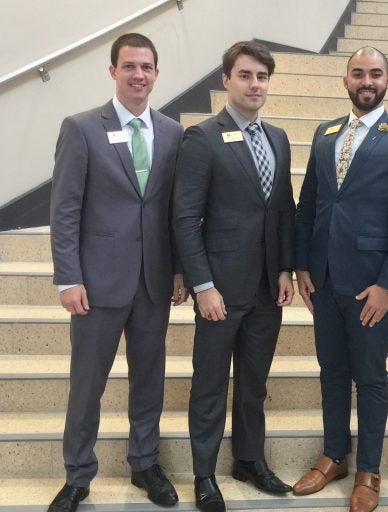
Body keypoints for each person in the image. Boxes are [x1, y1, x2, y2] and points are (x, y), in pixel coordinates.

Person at [48, 33, 186, 512]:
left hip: (153, 281)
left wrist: (179, 270)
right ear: (112, 71)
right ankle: (78, 474)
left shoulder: (172, 132)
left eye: (146, 66)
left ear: (156, 72)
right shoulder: (82, 128)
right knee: (87, 384)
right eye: (128, 66)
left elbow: (174, 211)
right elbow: (65, 208)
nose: (138, 75)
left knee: (149, 380)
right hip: (97, 283)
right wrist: (68, 277)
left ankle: (144, 462)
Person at [292, 47, 388, 512]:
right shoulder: (325, 133)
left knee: (369, 376)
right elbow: (309, 203)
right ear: (345, 80)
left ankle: (368, 469)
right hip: (324, 280)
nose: (365, 80)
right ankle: (335, 455)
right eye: (357, 73)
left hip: (371, 284)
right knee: (331, 370)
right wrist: (302, 265)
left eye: (374, 74)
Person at [172, 41, 295, 512]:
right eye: (245, 75)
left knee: (253, 383)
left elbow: (283, 208)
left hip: (267, 287)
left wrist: (284, 267)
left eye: (262, 77)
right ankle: (204, 474)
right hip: (219, 288)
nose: (255, 84)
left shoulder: (279, 137)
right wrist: (203, 284)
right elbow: (185, 218)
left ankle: (249, 461)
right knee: (208, 383)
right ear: (226, 80)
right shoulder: (203, 137)